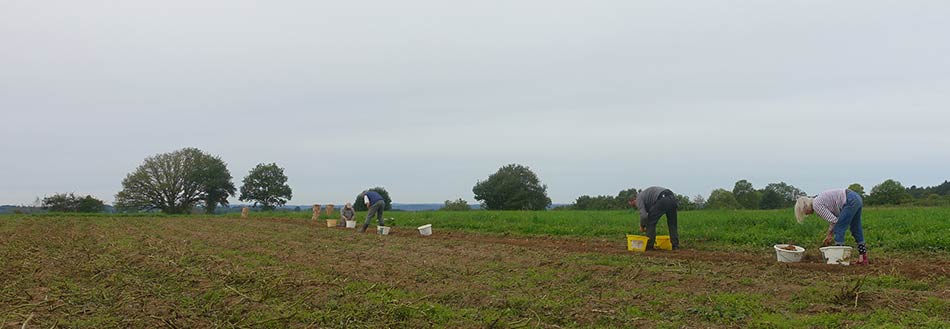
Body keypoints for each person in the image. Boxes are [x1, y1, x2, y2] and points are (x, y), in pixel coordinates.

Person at [794, 189, 869, 265]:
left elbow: (834, 221)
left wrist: (830, 234)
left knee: (839, 229)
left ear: (805, 206)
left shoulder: (816, 206)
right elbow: (834, 219)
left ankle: (840, 259)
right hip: (856, 198)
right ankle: (863, 258)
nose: (806, 214)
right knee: (856, 228)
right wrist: (829, 234)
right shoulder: (819, 200)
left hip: (849, 200)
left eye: (804, 212)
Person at [629, 186, 679, 250]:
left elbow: (643, 216)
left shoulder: (639, 199)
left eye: (632, 204)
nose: (635, 206)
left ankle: (649, 246)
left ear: (633, 200)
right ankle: (675, 245)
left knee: (650, 222)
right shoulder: (645, 195)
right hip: (672, 199)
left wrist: (642, 226)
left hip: (662, 199)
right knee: (672, 224)